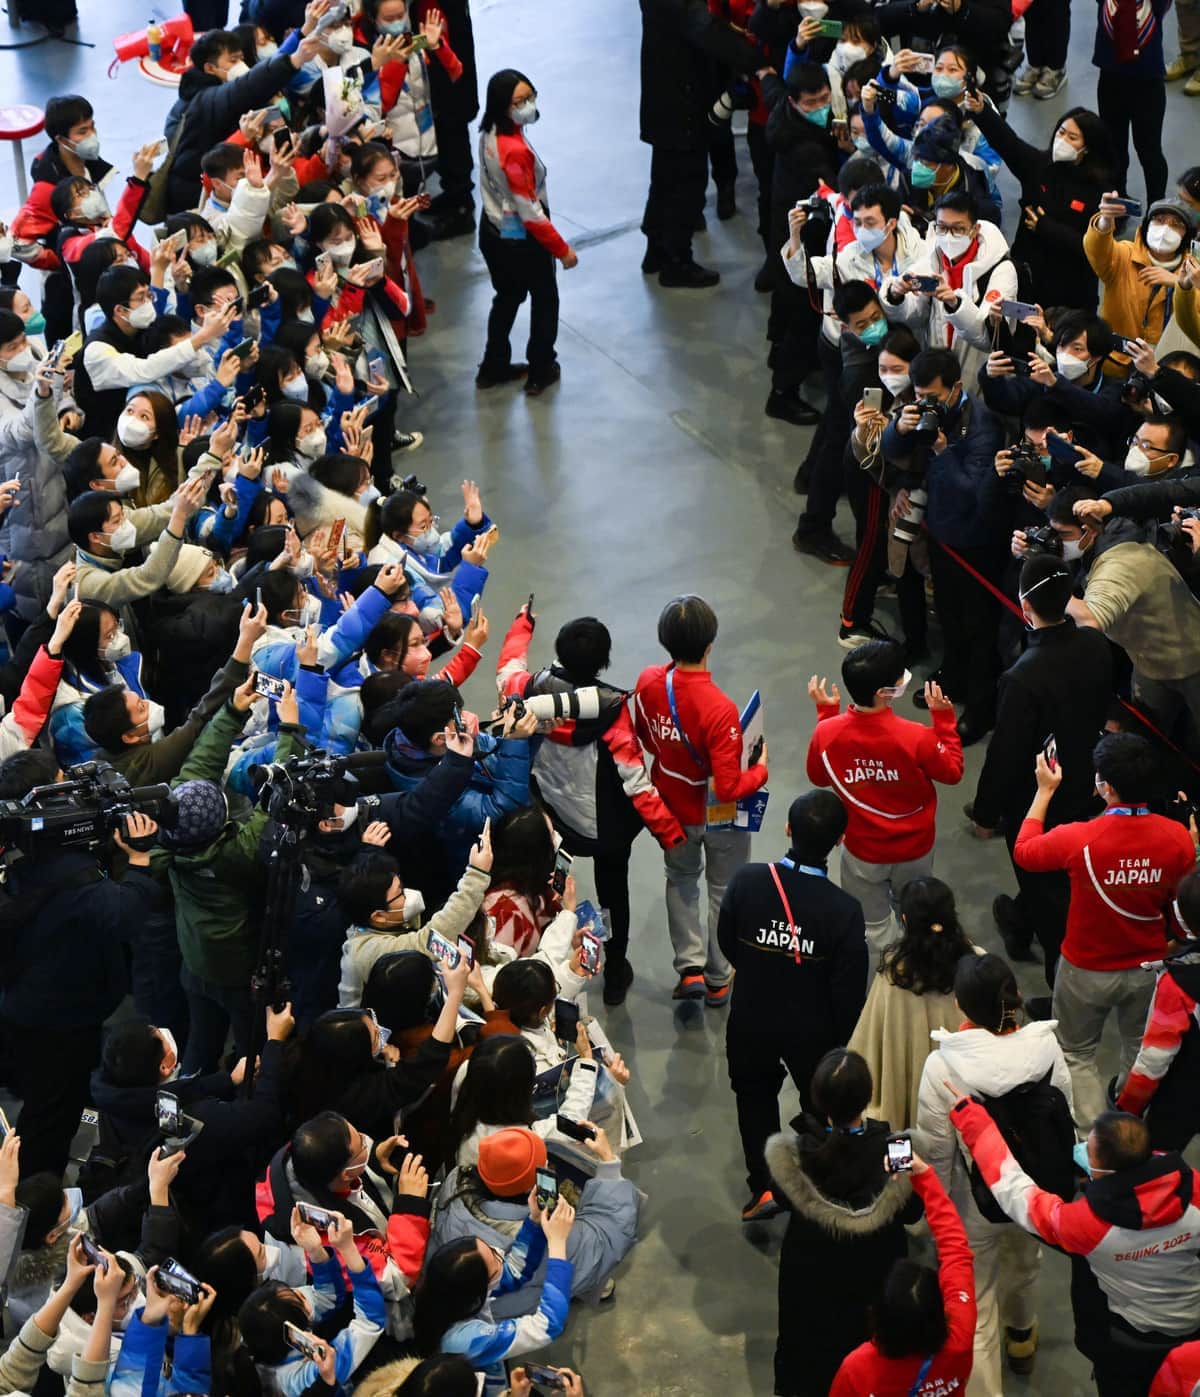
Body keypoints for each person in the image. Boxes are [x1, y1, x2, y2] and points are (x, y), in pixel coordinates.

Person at [495, 606, 685, 1004]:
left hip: (551, 818)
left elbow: (508, 666)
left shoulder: (531, 689)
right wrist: (671, 835)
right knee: (613, 895)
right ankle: (614, 973)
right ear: (603, 662)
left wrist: (523, 624)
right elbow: (638, 786)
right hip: (605, 832)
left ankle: (547, 959)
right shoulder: (613, 713)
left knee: (547, 888)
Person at [950, 1099, 1200, 1397]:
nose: (1081, 1152)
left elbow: (1015, 1192)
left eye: (1089, 1152)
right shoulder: (1194, 1190)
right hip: (1192, 1326)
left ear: (1105, 1169)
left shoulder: (1086, 1226)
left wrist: (975, 1122)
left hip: (1130, 1343)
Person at [1014, 735, 1196, 1125]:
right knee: (1140, 1049)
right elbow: (1181, 904)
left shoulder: (1079, 838)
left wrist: (1045, 791)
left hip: (1086, 968)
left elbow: (1025, 850)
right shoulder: (1178, 838)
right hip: (1148, 968)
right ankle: (1127, 1121)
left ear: (1106, 786)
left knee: (1076, 1053)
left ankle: (1091, 1137)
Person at [0, 749, 162, 1179]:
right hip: (59, 1018)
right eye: (63, 783)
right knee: (51, 1114)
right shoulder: (70, 875)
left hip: (19, 993)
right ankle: (34, 1195)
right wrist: (139, 860)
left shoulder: (18, 850)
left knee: (32, 1082)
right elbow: (124, 915)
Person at [917, 953, 1073, 1391]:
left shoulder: (943, 1066)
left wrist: (938, 1214)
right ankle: (1021, 1338)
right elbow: (1067, 1118)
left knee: (977, 1300)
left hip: (977, 1201)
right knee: (1025, 1264)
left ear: (961, 1006)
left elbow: (937, 1150)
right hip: (1035, 1192)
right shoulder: (1046, 1047)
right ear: (1015, 997)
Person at [718, 791, 867, 1220]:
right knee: (821, 1103)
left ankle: (765, 1184)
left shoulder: (747, 881)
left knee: (754, 1096)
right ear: (840, 840)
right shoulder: (844, 911)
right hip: (814, 1030)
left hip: (751, 1017)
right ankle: (818, 1180)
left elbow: (728, 942)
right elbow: (848, 992)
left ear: (787, 829)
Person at [969, 554, 1114, 990]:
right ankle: (1020, 916)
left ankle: (1057, 987)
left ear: (1025, 605)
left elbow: (1006, 753)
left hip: (1039, 797)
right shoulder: (1096, 645)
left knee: (1046, 888)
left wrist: (986, 812)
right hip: (1085, 780)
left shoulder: (1023, 677)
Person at [634, 594, 769, 1004]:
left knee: (681, 879)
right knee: (723, 890)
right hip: (719, 817)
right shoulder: (720, 709)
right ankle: (718, 977)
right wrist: (761, 771)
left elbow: (646, 740)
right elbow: (727, 788)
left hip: (672, 809)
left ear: (665, 641)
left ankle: (689, 968)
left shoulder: (648, 683)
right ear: (710, 645)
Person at [766, 1048, 923, 1397]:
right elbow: (913, 1212)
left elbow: (779, 1195)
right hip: (877, 1270)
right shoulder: (896, 1149)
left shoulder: (797, 1152)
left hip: (811, 1271)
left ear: (819, 1099)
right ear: (868, 1096)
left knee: (812, 1350)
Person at [805, 640, 963, 956]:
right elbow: (952, 771)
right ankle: (918, 959)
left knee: (873, 924)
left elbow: (819, 776)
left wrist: (827, 716)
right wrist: (944, 720)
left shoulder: (827, 733)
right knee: (914, 910)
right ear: (883, 693)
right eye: (899, 677)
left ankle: (891, 966)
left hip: (862, 850)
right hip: (914, 848)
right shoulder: (916, 736)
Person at [882, 347, 1006, 740]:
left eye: (933, 397)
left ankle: (981, 707)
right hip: (941, 533)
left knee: (979, 626)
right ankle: (953, 677)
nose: (925, 404)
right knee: (949, 615)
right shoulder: (920, 411)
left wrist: (941, 450)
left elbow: (973, 491)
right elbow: (890, 451)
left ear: (956, 388)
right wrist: (899, 428)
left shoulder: (983, 426)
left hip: (977, 541)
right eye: (919, 396)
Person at [828, 1147, 976, 1396]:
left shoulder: (858, 1368)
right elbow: (956, 1252)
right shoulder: (960, 1339)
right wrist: (925, 1177)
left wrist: (924, 1176)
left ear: (881, 1315)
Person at [638, 0, 755, 288]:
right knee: (687, 185)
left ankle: (656, 250)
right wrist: (755, 59)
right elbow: (705, 29)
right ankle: (678, 263)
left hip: (664, 101)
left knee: (664, 180)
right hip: (683, 107)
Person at [476, 70, 577, 396]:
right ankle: (541, 367)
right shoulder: (514, 151)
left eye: (531, 97)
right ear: (502, 105)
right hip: (523, 240)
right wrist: (562, 249)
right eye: (519, 101)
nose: (529, 106)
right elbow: (530, 212)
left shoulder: (489, 133)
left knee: (507, 297)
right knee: (545, 299)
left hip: (493, 230)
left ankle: (493, 365)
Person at [849, 877, 977, 1131]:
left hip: (913, 1121)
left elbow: (865, 1048)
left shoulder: (893, 978)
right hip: (970, 1111)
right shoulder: (977, 967)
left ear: (905, 920)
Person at [963, 99, 1115, 311]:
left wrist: (1045, 227)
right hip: (1028, 275)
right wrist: (981, 111)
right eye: (1061, 132)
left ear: (1087, 147)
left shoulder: (1099, 191)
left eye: (1072, 138)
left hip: (1070, 291)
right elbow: (1008, 143)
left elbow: (1091, 248)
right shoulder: (1039, 165)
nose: (1062, 140)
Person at [1117, 922, 1200, 1149]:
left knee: (1159, 1155)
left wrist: (1128, 1108)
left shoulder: (1179, 983)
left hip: (1182, 1096)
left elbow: (1154, 1060)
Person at [1092, 0, 1172, 203]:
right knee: (1113, 147)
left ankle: (1156, 208)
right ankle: (1118, 203)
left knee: (1149, 151)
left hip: (1147, 82)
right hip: (1111, 78)